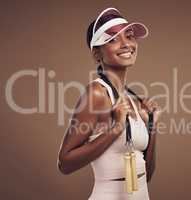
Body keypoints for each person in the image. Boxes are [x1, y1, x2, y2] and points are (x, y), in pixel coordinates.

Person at [57, 7, 161, 200]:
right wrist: (115, 129)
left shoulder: (131, 99)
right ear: (97, 54)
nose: (126, 44)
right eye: (113, 39)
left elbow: (146, 175)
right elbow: (65, 163)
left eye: (129, 36)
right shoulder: (97, 94)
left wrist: (152, 125)